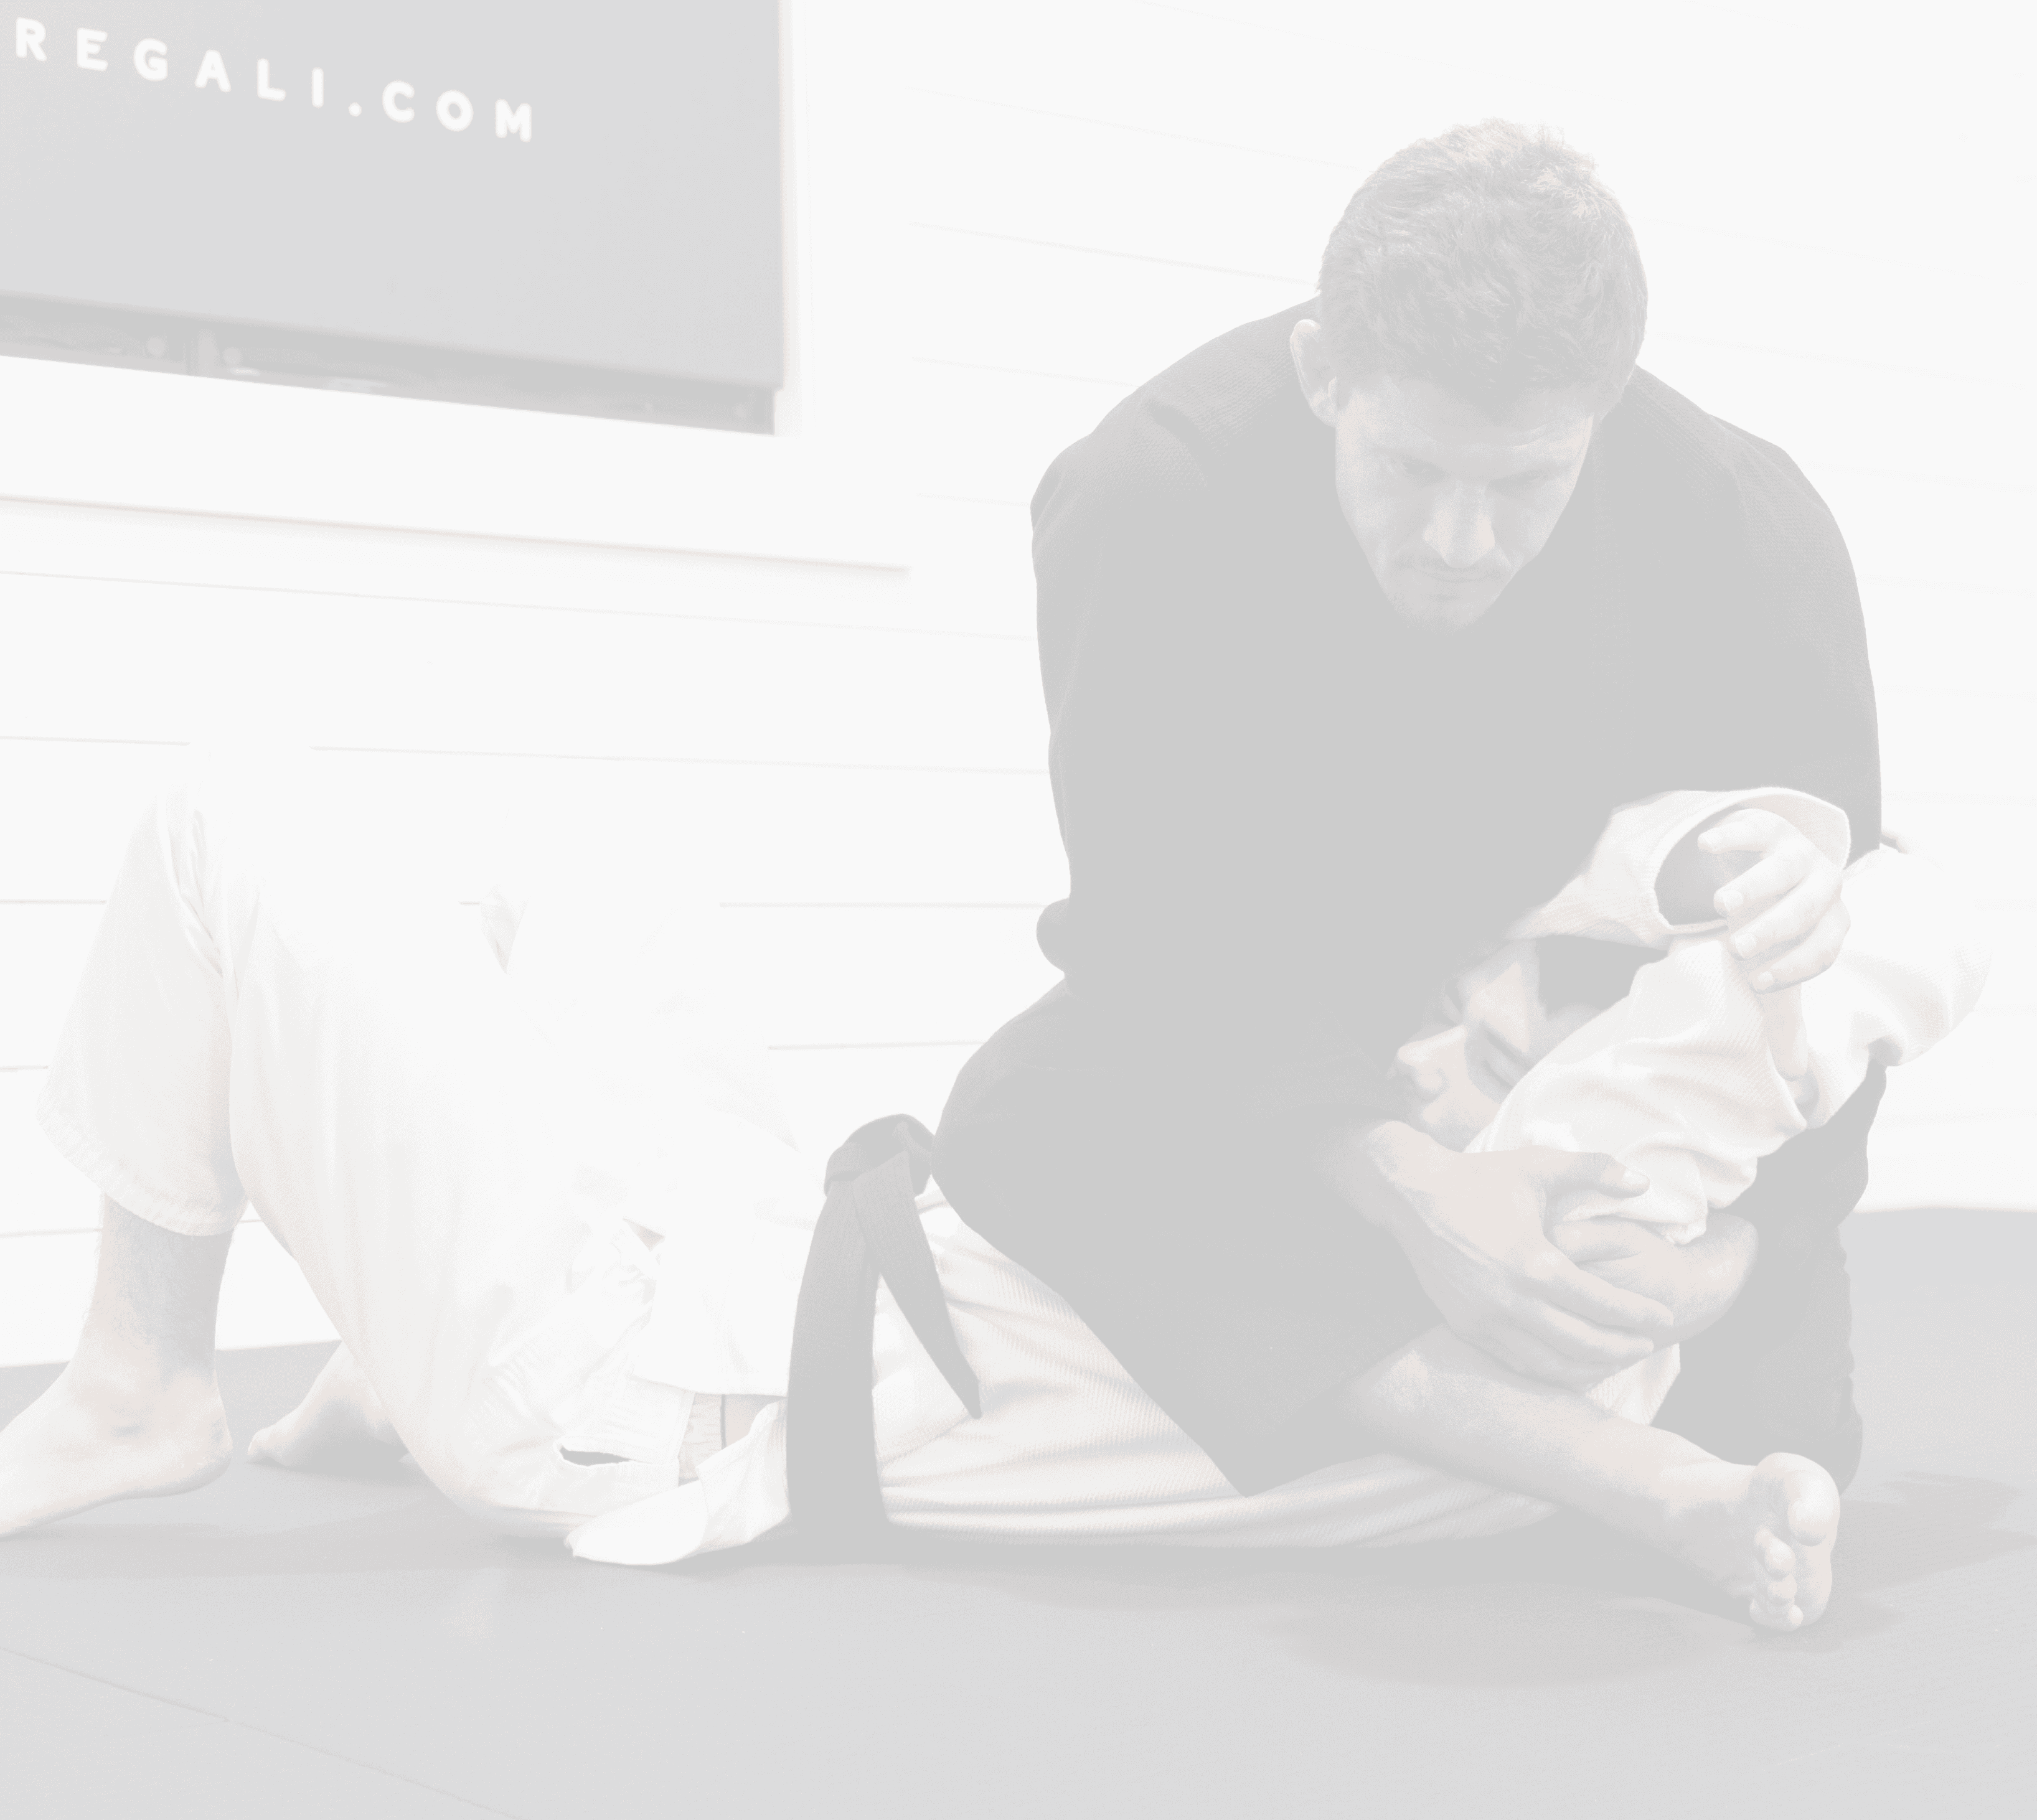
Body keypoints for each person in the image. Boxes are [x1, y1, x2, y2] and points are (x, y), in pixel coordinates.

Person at [0, 753, 1983, 1630]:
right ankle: (382, 1347)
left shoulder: (1552, 1252)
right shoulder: (1524, 1231)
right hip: (758, 1226)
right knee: (588, 874)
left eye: (1489, 1052)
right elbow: (1696, 962)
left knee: (217, 825)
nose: (1422, 1057)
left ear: (1612, 1129)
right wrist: (1726, 855)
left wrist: (1758, 963)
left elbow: (1896, 942)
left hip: (636, 1393)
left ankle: (140, 1377)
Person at [933, 118, 1885, 1508]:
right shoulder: (1151, 497)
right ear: (1324, 373)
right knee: (1020, 1119)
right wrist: (1408, 1191)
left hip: (1572, 1019)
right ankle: (1597, 1465)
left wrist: (1721, 1264)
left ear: (1606, 407)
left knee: (1792, 1440)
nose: (1458, 545)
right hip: (1285, 1002)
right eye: (1412, 469)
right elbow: (1153, 937)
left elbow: (1836, 976)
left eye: (1524, 483)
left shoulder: (1749, 532)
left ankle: (1485, 1379)